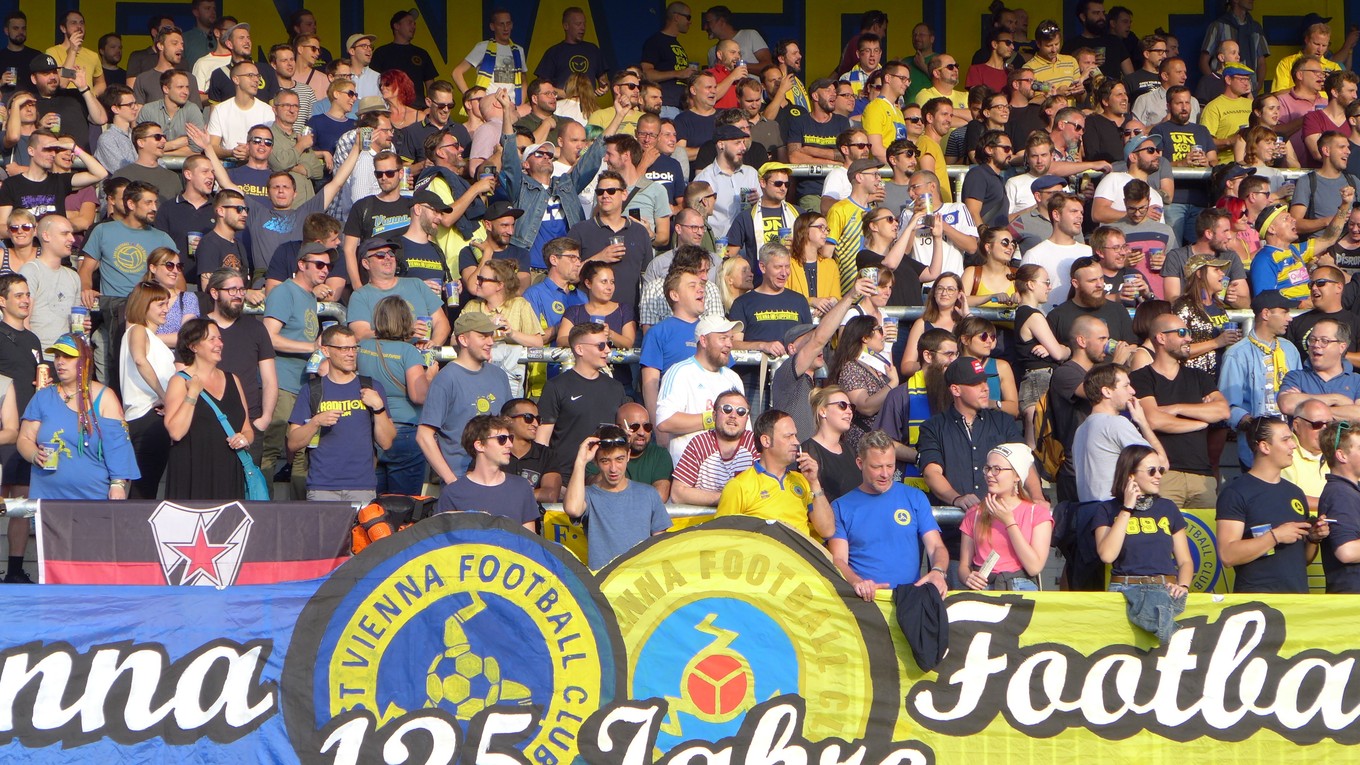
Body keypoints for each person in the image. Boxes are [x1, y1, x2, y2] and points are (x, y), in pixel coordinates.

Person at [830, 429, 948, 600]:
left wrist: (938, 571)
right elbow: (839, 559)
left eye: (890, 465)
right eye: (877, 467)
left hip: (909, 600)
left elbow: (936, 546)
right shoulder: (841, 506)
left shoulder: (914, 497)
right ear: (859, 463)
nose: (885, 474)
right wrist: (858, 583)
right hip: (865, 601)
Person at [19, 332, 137, 500]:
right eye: (57, 356)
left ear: (84, 361)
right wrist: (34, 454)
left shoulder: (104, 397)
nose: (60, 362)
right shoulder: (43, 396)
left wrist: (118, 485)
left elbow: (118, 448)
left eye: (68, 356)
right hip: (47, 499)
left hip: (92, 499)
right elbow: (24, 439)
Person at [1130, 313, 1230, 508]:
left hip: (1203, 476)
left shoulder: (1198, 376)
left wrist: (1176, 408)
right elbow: (1153, 420)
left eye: (1189, 332)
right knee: (1164, 537)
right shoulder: (1141, 377)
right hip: (1164, 475)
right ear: (1161, 337)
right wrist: (1200, 420)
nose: (1189, 338)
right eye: (1182, 332)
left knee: (1207, 538)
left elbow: (1223, 410)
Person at [1217, 416, 1325, 593]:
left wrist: (1313, 539)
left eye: (1292, 438)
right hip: (1257, 604)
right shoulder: (1235, 492)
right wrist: (1274, 537)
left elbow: (1301, 560)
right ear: (1264, 446)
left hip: (1297, 602)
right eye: (1285, 439)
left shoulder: (1295, 493)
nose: (1293, 445)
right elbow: (1227, 555)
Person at [286, 324, 393, 503]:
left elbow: (387, 443)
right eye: (344, 349)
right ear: (326, 351)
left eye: (353, 348)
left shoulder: (371, 387)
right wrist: (316, 421)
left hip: (362, 486)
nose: (351, 354)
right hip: (321, 487)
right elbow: (293, 443)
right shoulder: (311, 390)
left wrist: (379, 408)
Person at [356, 295, 436, 497]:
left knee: (373, 507)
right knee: (404, 506)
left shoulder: (362, 348)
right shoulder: (408, 352)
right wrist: (430, 376)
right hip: (404, 431)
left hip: (371, 429)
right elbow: (419, 396)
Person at [418, 312, 511, 484]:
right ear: (463, 340)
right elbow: (424, 435)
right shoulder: (446, 378)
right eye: (483, 336)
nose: (490, 342)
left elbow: (508, 426)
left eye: (491, 336)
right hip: (461, 477)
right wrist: (451, 480)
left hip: (498, 479)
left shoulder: (499, 376)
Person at [715, 408, 834, 540]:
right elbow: (722, 538)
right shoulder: (739, 486)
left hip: (799, 558)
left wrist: (814, 483)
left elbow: (828, 531)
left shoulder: (803, 480)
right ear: (766, 441)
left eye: (795, 435)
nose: (796, 442)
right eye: (788, 436)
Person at [564, 425, 670, 569]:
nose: (613, 468)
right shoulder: (589, 495)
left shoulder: (649, 494)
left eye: (619, 459)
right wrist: (581, 462)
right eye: (605, 461)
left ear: (628, 456)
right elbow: (573, 509)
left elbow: (660, 548)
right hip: (603, 586)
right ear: (596, 462)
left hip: (640, 585)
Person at [1093, 444, 1194, 597]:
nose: (1159, 476)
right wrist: (1127, 508)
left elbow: (1185, 561)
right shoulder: (1107, 509)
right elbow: (1107, 555)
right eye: (1151, 471)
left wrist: (1183, 585)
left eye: (1160, 470)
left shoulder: (1168, 508)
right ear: (1130, 475)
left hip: (1164, 588)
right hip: (1124, 588)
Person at [536, 321, 628, 486]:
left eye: (608, 344)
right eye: (600, 345)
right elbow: (542, 441)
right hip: (565, 480)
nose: (607, 350)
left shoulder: (616, 387)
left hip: (605, 480)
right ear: (579, 349)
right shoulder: (556, 386)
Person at [1220, 290, 1302, 468]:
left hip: (1290, 448)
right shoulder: (1237, 354)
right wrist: (1255, 427)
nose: (1290, 318)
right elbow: (1227, 405)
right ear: (1266, 314)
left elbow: (1300, 394)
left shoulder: (1290, 350)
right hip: (1255, 451)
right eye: (1284, 312)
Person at [958, 443, 1052, 591]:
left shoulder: (1037, 513)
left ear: (1016, 476)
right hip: (984, 587)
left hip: (1021, 587)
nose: (989, 474)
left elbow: (1034, 567)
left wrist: (1009, 522)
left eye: (997, 469)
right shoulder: (975, 513)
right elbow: (964, 565)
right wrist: (968, 577)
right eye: (988, 468)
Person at [119, 281, 174, 499]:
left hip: (152, 415)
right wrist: (164, 396)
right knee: (144, 490)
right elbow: (140, 360)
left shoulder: (153, 337)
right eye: (160, 304)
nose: (166, 309)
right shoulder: (138, 330)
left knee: (145, 488)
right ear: (144, 305)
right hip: (147, 415)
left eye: (167, 304)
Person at [462, 257, 543, 398]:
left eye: (482, 279)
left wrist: (511, 333)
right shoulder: (472, 306)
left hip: (509, 382)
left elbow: (538, 343)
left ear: (499, 285)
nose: (477, 282)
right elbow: (453, 340)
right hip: (474, 377)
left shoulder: (520, 304)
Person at [437, 414, 537, 528]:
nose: (510, 444)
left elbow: (529, 541)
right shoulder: (453, 493)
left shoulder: (521, 487)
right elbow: (444, 541)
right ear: (479, 445)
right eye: (502, 439)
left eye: (510, 438)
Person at [1252, 197, 1351, 307]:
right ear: (1272, 229)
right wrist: (1299, 304)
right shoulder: (1264, 259)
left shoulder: (1295, 250)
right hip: (1292, 316)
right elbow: (1264, 299)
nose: (1293, 220)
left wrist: (1345, 205)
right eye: (1286, 219)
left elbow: (1329, 238)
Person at [670, 390, 756, 506]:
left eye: (741, 412)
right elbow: (677, 493)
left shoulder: (756, 444)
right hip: (707, 522)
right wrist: (728, 498)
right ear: (714, 415)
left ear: (747, 418)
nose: (733, 416)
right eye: (727, 409)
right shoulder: (699, 443)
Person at [1020, 192, 1093, 312]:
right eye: (1074, 211)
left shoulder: (1088, 251)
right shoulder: (1034, 255)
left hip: (1080, 324)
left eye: (1081, 212)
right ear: (1056, 215)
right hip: (1046, 324)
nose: (1080, 216)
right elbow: (1025, 301)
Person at [1277, 318, 1360, 422]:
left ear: (1342, 347)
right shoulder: (1296, 377)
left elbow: (1358, 415)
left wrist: (1305, 406)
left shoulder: (1356, 381)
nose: (1316, 345)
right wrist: (1336, 399)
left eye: (1324, 341)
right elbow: (1287, 404)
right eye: (1312, 340)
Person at [1173, 254, 1241, 379]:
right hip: (1194, 380)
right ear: (1199, 273)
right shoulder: (1184, 305)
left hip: (1221, 377)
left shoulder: (1219, 306)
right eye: (1216, 269)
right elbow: (1177, 350)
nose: (1222, 274)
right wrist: (1217, 342)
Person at [1047, 256, 1137, 346]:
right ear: (1075, 283)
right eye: (1092, 281)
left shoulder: (1118, 311)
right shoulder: (1057, 316)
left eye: (1101, 278)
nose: (1100, 285)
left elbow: (1132, 347)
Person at [452, 10, 528, 105]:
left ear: (512, 25)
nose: (505, 28)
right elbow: (457, 72)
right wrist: (472, 99)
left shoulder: (518, 50)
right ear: (492, 26)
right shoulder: (482, 47)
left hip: (512, 107)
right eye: (501, 24)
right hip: (487, 107)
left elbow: (523, 81)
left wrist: (521, 105)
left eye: (508, 24)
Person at [1286, 266, 1360, 363]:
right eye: (1311, 285)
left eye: (1321, 283)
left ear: (1339, 287)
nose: (1314, 288)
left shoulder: (1356, 323)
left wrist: (1336, 353)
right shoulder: (1296, 322)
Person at [800, 385, 861, 502]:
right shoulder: (808, 450)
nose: (849, 411)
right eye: (842, 405)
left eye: (851, 407)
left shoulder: (850, 450)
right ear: (823, 411)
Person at [557, 262, 636, 351]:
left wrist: (610, 334)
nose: (609, 287)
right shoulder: (574, 311)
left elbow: (629, 343)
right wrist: (585, 336)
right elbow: (561, 340)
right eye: (604, 282)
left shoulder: (624, 310)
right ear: (588, 283)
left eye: (612, 282)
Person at [900, 273, 968, 377]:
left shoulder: (965, 323)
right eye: (940, 288)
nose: (944, 293)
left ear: (959, 294)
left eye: (950, 289)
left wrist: (967, 316)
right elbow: (906, 366)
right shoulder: (921, 324)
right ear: (934, 292)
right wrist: (934, 365)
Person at [1320, 420, 1360, 593]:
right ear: (1341, 455)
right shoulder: (1340, 494)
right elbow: (1346, 551)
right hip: (1352, 600)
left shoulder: (1348, 491)